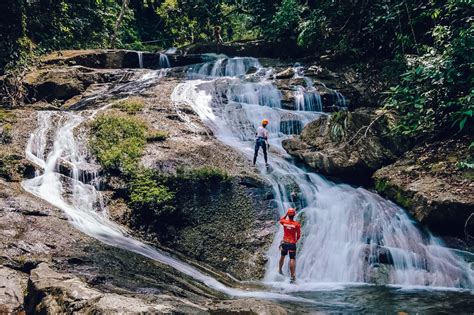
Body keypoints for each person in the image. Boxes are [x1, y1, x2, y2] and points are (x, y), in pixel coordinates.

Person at [278, 208, 301, 282]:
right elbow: (299, 235)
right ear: (294, 215)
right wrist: (295, 240)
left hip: (284, 242)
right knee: (292, 259)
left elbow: (281, 219)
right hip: (292, 243)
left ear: (288, 215)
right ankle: (292, 276)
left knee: (282, 256)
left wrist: (286, 215)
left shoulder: (284, 222)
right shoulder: (296, 224)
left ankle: (280, 270)